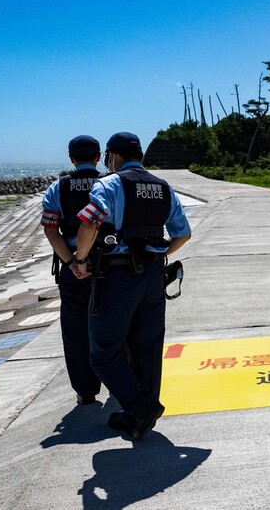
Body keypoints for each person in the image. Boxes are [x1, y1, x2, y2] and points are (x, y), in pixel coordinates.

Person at [73, 131, 191, 441]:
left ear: (112, 156)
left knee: (103, 351)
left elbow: (90, 221)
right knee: (148, 348)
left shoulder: (110, 184)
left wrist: (81, 258)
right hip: (153, 276)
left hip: (117, 276)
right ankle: (138, 419)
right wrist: (158, 254)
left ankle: (143, 406)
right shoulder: (164, 188)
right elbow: (183, 234)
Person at [39, 134, 104, 406]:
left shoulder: (59, 187)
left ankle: (86, 391)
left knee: (76, 329)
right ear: (99, 156)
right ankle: (120, 381)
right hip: (110, 263)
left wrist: (71, 262)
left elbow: (51, 230)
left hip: (73, 266)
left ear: (71, 159)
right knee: (117, 322)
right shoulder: (110, 183)